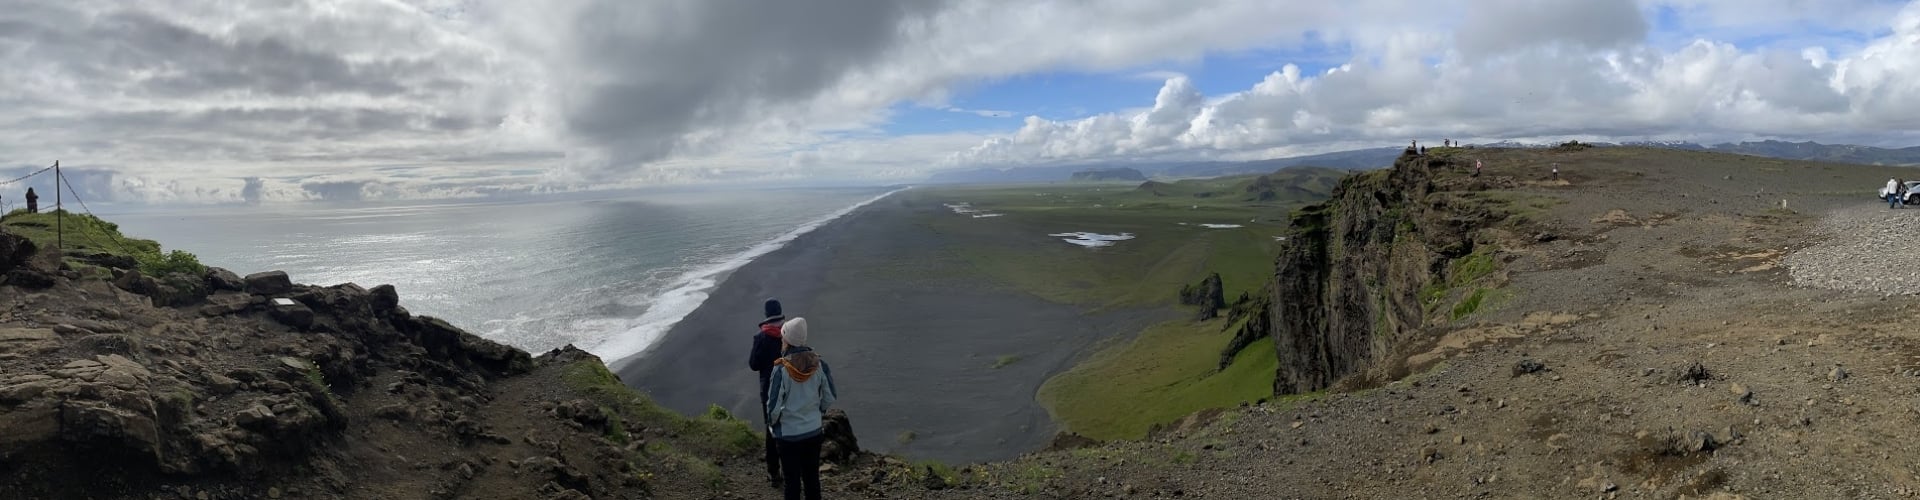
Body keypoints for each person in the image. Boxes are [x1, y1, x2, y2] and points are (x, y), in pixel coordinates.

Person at [767, 317, 835, 500]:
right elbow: (829, 396)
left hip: (788, 435)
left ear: (787, 341)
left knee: (792, 483)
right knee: (812, 480)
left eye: (783, 337)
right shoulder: (819, 364)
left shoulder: (781, 369)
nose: (781, 341)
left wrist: (773, 424)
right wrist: (818, 412)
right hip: (813, 431)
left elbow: (773, 407)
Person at [746, 299, 787, 488]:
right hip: (789, 387)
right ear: (780, 312)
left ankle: (774, 473)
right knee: (789, 427)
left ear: (766, 314)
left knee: (772, 430)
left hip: (769, 390)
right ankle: (791, 469)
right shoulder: (790, 333)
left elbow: (754, 365)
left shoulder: (760, 337)